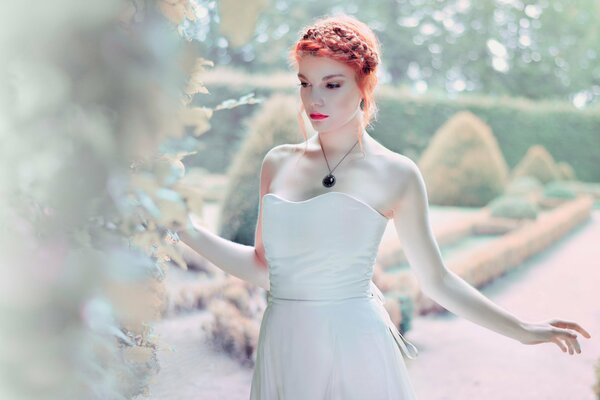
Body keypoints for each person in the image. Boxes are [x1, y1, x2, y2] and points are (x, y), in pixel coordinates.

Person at [174, 14, 591, 400]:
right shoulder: (277, 162)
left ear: (364, 85)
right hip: (283, 341)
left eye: (332, 84)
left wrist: (521, 330)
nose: (313, 98)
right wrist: (185, 229)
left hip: (355, 346)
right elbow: (263, 269)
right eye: (305, 83)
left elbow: (437, 280)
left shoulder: (397, 174)